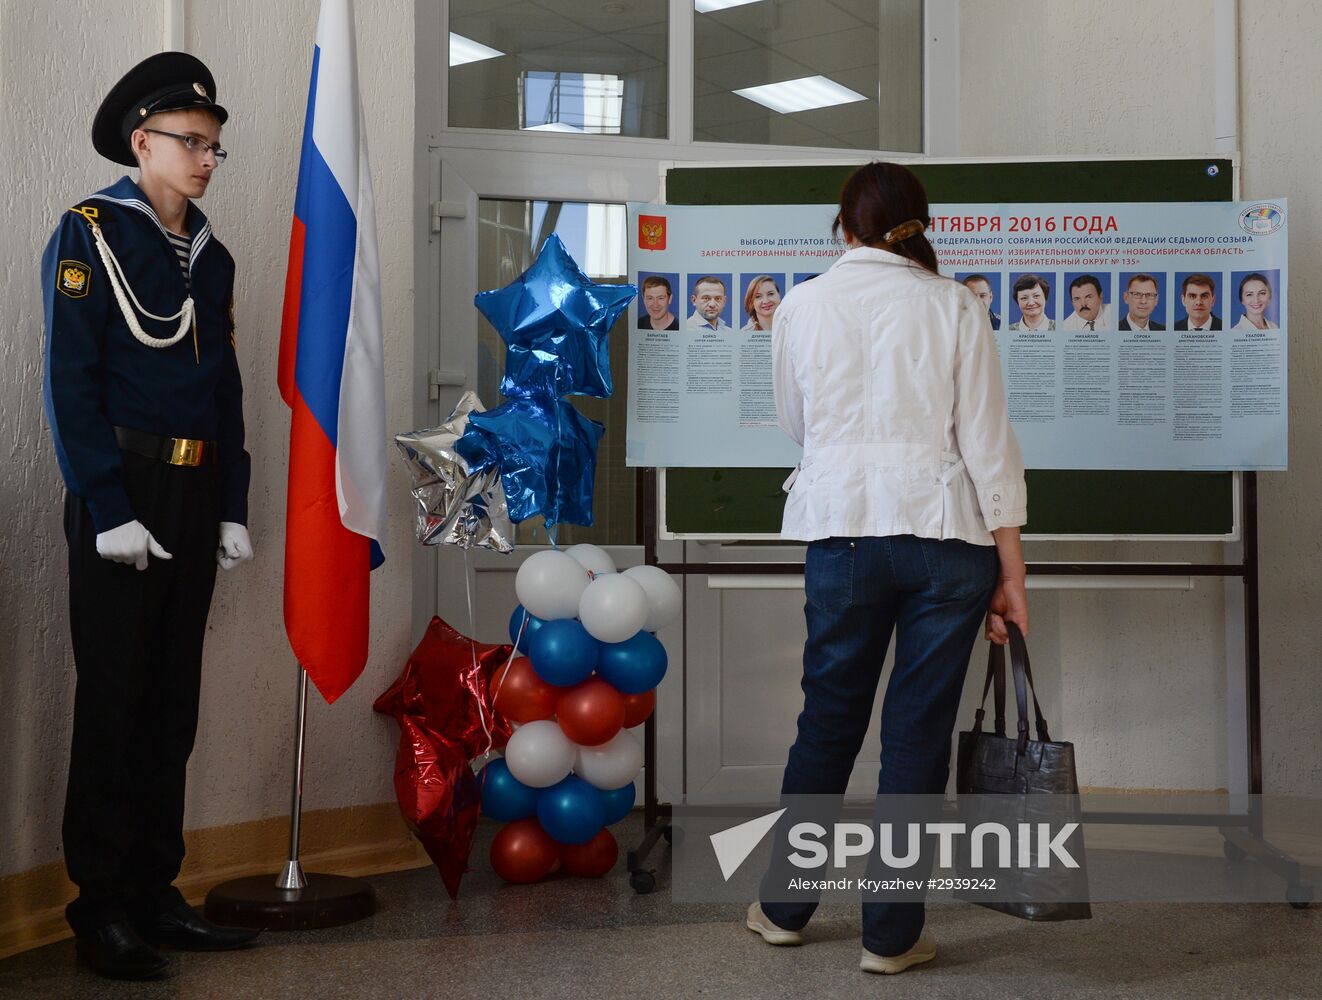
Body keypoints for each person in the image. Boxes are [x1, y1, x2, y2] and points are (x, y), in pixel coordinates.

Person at [748, 162, 1028, 975]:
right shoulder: (955, 306)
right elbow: (988, 447)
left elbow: (798, 425)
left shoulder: (800, 305)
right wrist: (1013, 576)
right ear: (919, 222)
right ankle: (890, 938)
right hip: (948, 536)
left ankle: (784, 908)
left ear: (846, 223)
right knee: (915, 738)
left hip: (841, 534)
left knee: (826, 723)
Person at [41, 51, 259, 981]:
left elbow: (227, 389)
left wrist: (232, 502)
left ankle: (156, 893)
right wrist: (104, 503)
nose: (208, 159)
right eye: (192, 142)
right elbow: (70, 380)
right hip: (123, 492)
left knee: (171, 706)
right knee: (115, 704)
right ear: (143, 142)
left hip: (195, 487)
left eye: (215, 146)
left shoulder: (212, 254)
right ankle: (101, 909)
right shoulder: (91, 233)